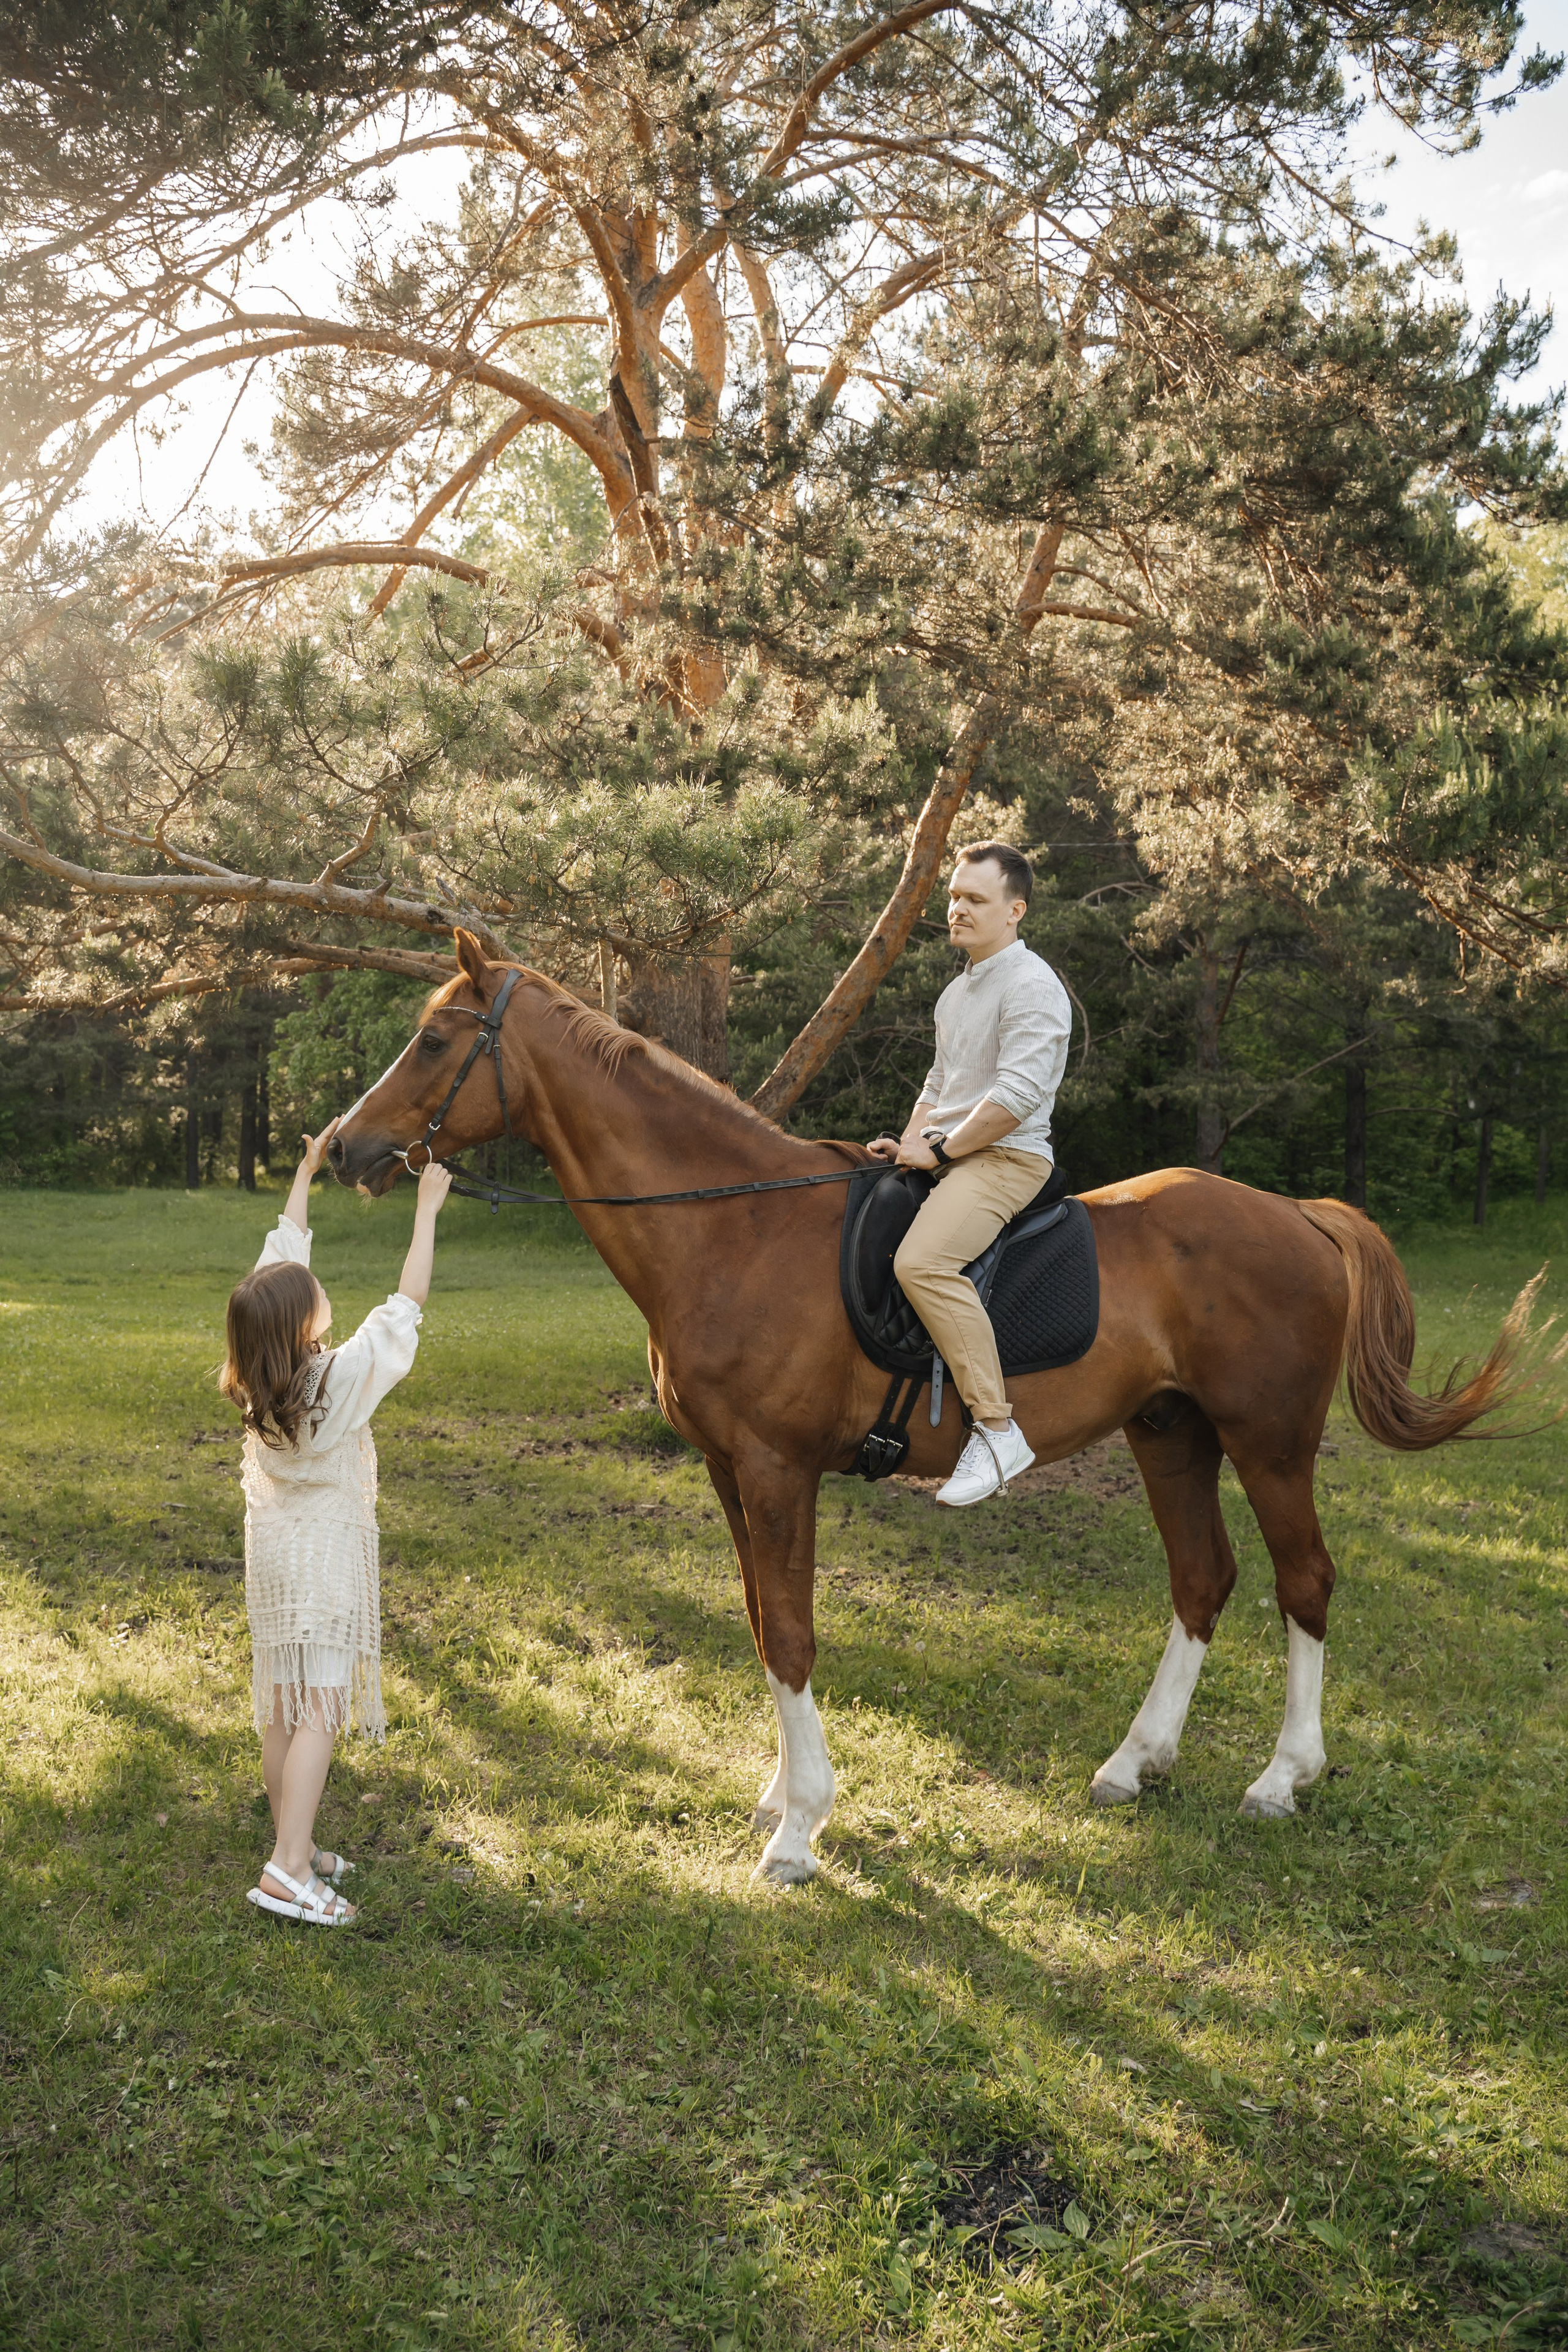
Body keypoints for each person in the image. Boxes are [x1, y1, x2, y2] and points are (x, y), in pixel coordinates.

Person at [219, 1121, 452, 1925]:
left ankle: (297, 1835)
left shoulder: (263, 1370)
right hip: (321, 1557)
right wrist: (427, 1209)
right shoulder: (336, 1383)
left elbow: (284, 1251)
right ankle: (288, 1870)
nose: (314, 1282)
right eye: (309, 1287)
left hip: (275, 1555)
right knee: (320, 1705)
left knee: (284, 1702)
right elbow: (405, 1306)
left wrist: (305, 1170)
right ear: (303, 1322)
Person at [869, 841, 1071, 1505]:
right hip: (950, 1150)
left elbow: (1014, 1099)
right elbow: (938, 1082)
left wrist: (943, 1151)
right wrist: (907, 1145)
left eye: (974, 899)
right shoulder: (959, 991)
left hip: (1006, 1158)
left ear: (1014, 910)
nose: (956, 909)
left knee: (922, 1264)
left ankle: (995, 1426)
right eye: (954, 896)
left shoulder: (1033, 986)